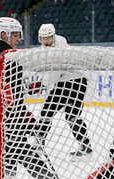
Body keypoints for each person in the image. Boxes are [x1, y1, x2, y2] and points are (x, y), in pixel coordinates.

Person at [0, 17, 62, 179]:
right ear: (4, 35)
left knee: (1, 146)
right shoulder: (11, 56)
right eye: (16, 35)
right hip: (2, 112)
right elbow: (15, 97)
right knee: (18, 146)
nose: (19, 40)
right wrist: (24, 117)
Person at [35, 23, 92, 159]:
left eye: (48, 38)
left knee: (71, 115)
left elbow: (54, 72)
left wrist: (40, 84)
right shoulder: (57, 41)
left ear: (53, 37)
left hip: (75, 81)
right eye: (43, 39)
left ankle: (86, 148)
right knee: (47, 111)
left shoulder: (57, 48)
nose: (46, 42)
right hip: (65, 82)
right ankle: (39, 144)